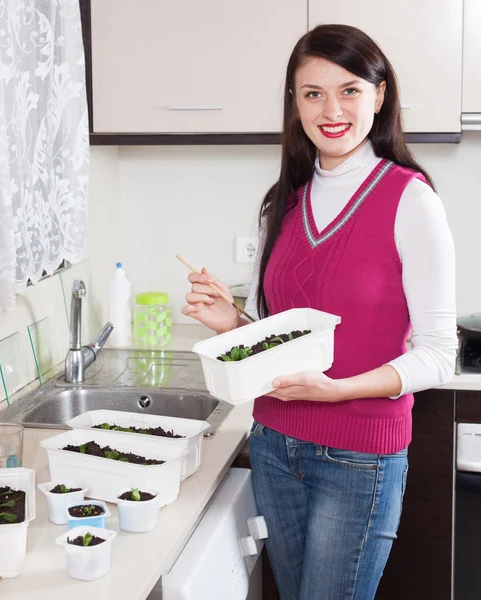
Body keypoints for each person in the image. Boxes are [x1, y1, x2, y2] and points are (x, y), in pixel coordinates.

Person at [182, 23, 457, 600]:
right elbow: (279, 336)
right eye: (313, 93)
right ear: (295, 103)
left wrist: (337, 390)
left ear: (379, 96)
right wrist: (233, 323)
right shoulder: (280, 202)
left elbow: (440, 355)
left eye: (350, 89)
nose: (331, 109)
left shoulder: (411, 199)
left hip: (360, 455)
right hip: (274, 442)